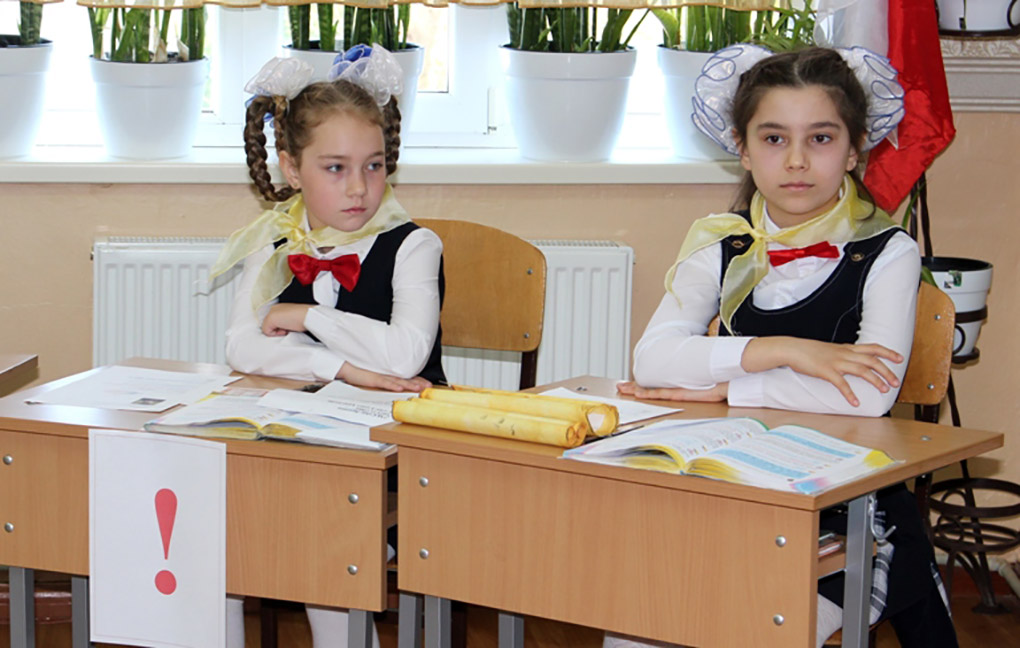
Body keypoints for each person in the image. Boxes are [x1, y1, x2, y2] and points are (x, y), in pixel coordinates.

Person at [614, 45, 956, 648]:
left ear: (854, 150)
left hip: (844, 516)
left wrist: (728, 387)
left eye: (820, 138)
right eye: (774, 139)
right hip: (728, 491)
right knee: (637, 614)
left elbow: (867, 397)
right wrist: (786, 351)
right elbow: (653, 360)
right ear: (743, 149)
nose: (796, 161)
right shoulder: (720, 243)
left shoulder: (888, 251)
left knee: (747, 629)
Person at [211, 46, 445, 648]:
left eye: (374, 166)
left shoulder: (414, 246)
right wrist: (338, 366)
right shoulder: (273, 243)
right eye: (335, 168)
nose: (359, 188)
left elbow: (402, 357)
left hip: (399, 459)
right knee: (216, 523)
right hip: (302, 437)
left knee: (326, 527)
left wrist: (306, 315)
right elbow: (242, 347)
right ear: (292, 168)